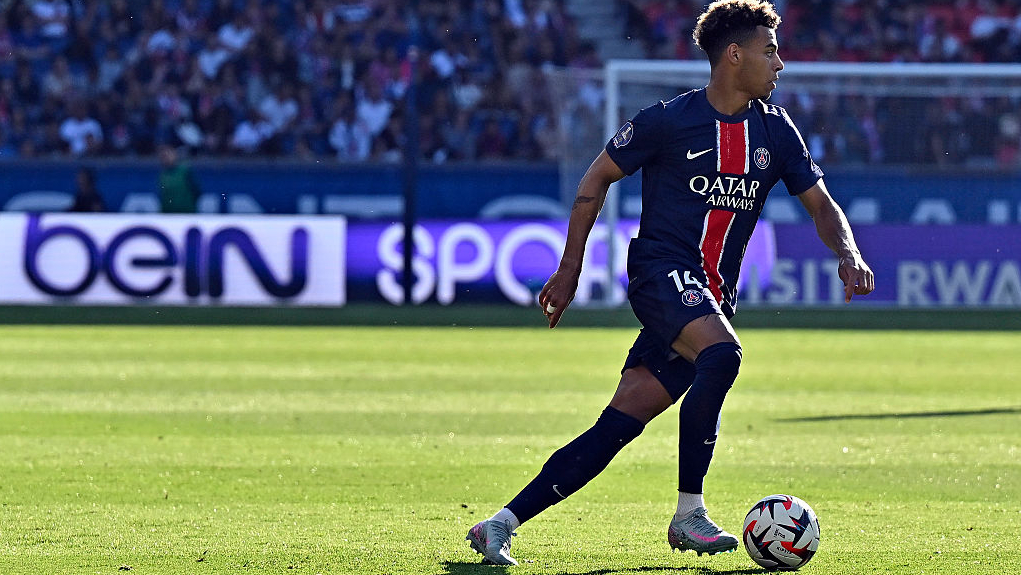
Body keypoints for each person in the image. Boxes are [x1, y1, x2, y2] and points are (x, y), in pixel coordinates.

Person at [466, 0, 875, 566]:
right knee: (723, 355)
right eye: (770, 51)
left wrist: (848, 252)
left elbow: (821, 204)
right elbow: (597, 176)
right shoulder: (668, 120)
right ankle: (689, 513)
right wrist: (570, 267)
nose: (780, 63)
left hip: (710, 294)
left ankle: (499, 524)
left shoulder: (775, 130)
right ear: (734, 56)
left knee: (619, 423)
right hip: (661, 273)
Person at [157, 145, 202, 213]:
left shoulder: (185, 171)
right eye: (163, 156)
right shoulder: (162, 175)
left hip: (186, 213)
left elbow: (197, 191)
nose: (166, 158)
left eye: (169, 155)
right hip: (168, 214)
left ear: (175, 155)